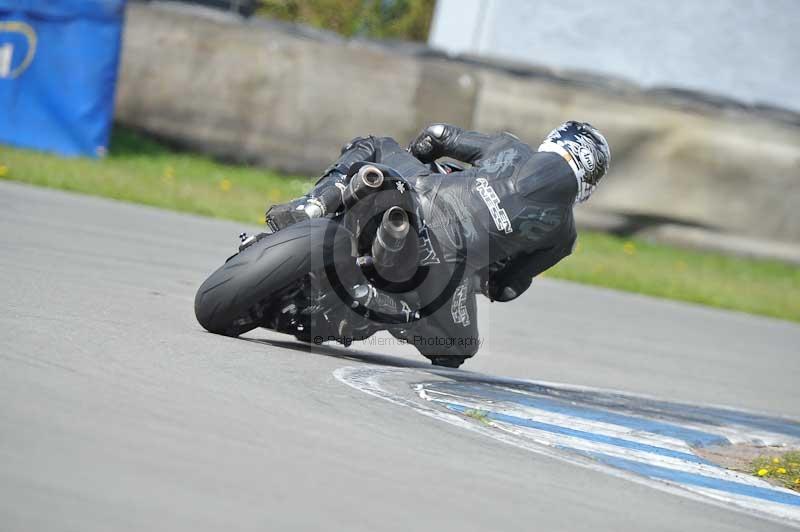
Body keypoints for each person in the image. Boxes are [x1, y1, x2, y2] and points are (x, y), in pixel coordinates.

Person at [266, 121, 610, 367]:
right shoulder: (563, 236)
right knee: (458, 349)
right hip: (449, 274)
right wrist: (486, 273)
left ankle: (312, 206)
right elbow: (505, 288)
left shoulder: (511, 148)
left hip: (418, 197)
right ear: (589, 183)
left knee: (372, 146)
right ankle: (382, 313)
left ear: (554, 141)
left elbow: (438, 135)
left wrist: (417, 162)